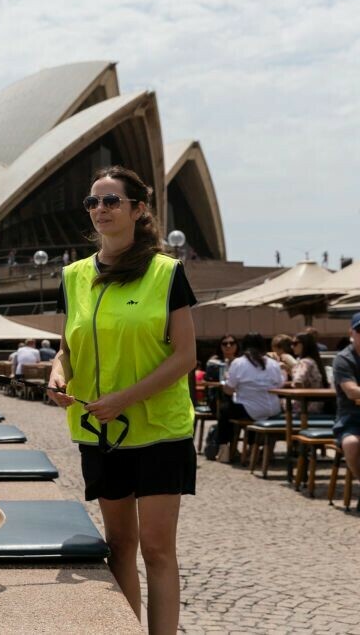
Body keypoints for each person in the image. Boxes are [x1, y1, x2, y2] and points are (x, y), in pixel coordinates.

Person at [47, 165, 197, 634]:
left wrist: (124, 399)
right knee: (120, 546)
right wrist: (57, 374)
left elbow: (185, 355)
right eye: (93, 202)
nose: (101, 210)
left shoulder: (166, 272)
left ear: (138, 209)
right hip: (101, 431)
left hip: (159, 430)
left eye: (112, 201)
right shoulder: (73, 276)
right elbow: (67, 348)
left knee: (156, 549)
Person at [218, 333, 285, 454]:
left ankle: (224, 447)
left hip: (249, 410)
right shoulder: (273, 363)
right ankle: (253, 445)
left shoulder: (238, 363)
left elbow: (228, 389)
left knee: (224, 410)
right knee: (238, 407)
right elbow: (280, 384)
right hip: (273, 410)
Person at [332, 313, 360, 487]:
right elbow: (351, 392)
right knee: (351, 444)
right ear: (351, 332)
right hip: (352, 418)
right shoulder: (344, 359)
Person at [290, 332, 329, 414]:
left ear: (305, 345)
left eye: (295, 343)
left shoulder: (304, 362)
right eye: (291, 343)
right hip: (318, 405)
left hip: (305, 408)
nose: (292, 346)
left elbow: (297, 382)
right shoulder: (313, 360)